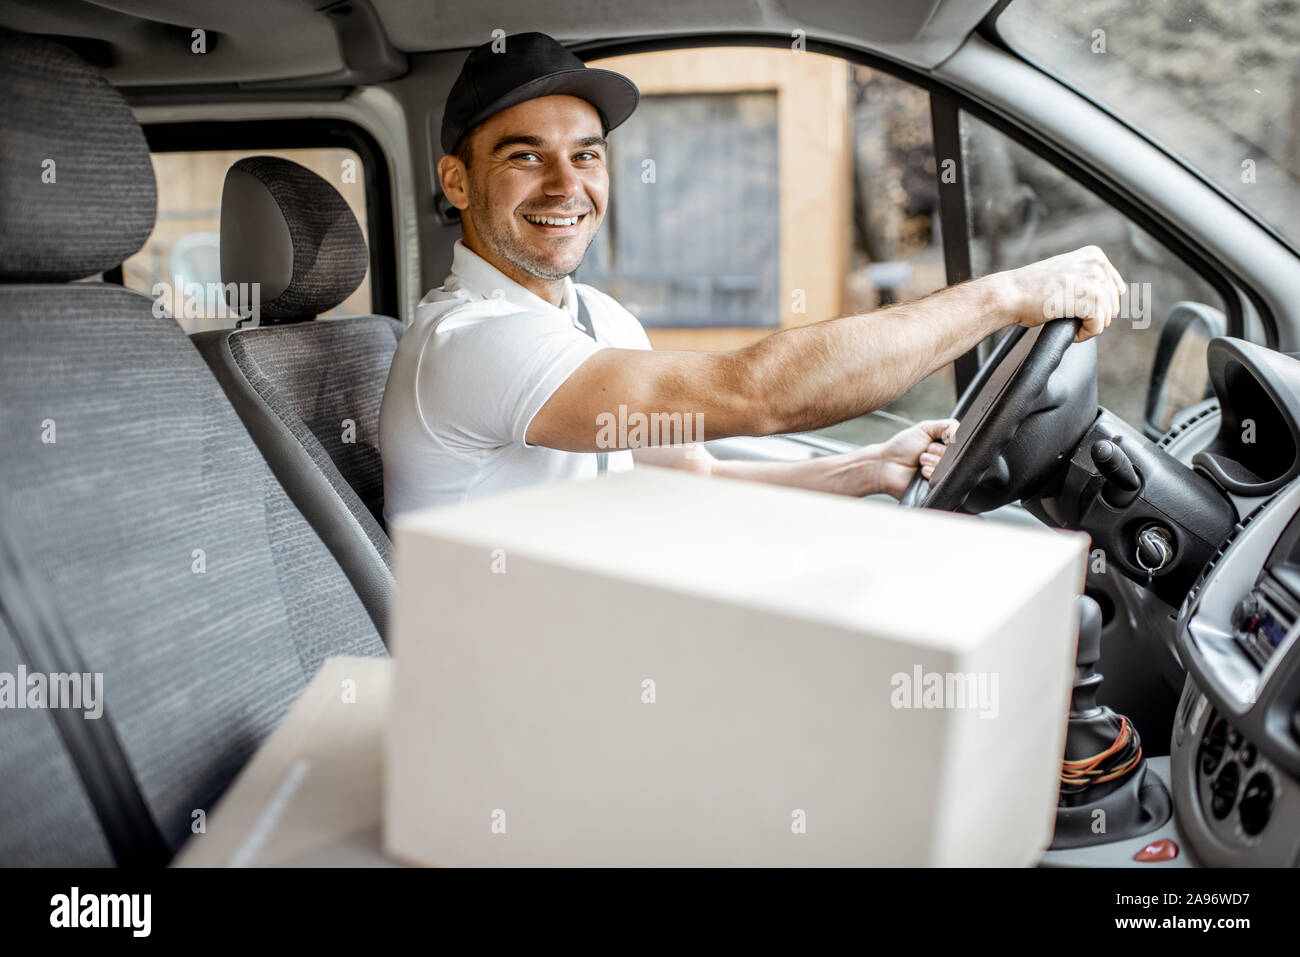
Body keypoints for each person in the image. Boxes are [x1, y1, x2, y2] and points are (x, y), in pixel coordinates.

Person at [379, 32, 1123, 518]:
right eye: (525, 156)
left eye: (587, 154)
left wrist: (868, 468)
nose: (566, 185)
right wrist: (1007, 295)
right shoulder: (469, 343)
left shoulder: (598, 318)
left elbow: (689, 478)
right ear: (457, 181)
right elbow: (755, 394)